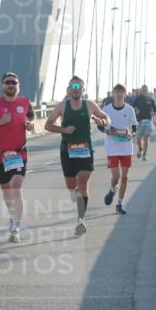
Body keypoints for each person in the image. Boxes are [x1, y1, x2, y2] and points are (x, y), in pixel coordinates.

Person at [45, 75, 109, 236]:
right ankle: (73, 189)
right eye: (72, 87)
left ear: (83, 89)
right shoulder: (62, 106)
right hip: (67, 151)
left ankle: (81, 220)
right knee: (71, 185)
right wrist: (64, 130)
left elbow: (105, 117)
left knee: (83, 180)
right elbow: (48, 125)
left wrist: (103, 122)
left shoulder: (90, 105)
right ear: (68, 90)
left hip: (85, 150)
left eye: (78, 86)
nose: (75, 89)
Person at [0, 73, 35, 242]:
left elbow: (30, 120)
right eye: (7, 82)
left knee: (16, 187)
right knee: (7, 192)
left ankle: (16, 226)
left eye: (14, 82)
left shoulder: (25, 102)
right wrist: (0, 122)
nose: (11, 85)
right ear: (2, 85)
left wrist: (30, 125)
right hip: (1, 156)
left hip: (19, 153)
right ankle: (13, 217)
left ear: (18, 85)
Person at [102, 84, 136, 214]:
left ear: (125, 94)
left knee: (125, 177)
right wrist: (107, 131)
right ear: (113, 93)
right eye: (117, 92)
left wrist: (131, 134)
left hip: (126, 147)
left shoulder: (129, 110)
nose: (120, 94)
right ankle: (112, 190)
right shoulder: (106, 109)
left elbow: (134, 127)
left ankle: (120, 204)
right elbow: (100, 125)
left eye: (122, 92)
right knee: (116, 176)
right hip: (112, 147)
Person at [131, 84, 156, 160]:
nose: (145, 91)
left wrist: (153, 113)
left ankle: (145, 154)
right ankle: (140, 149)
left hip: (148, 121)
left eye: (146, 90)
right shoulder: (137, 99)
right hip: (140, 122)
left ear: (148, 90)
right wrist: (136, 111)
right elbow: (132, 109)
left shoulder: (150, 99)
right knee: (138, 139)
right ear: (141, 91)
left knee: (146, 137)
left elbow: (155, 109)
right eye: (143, 90)